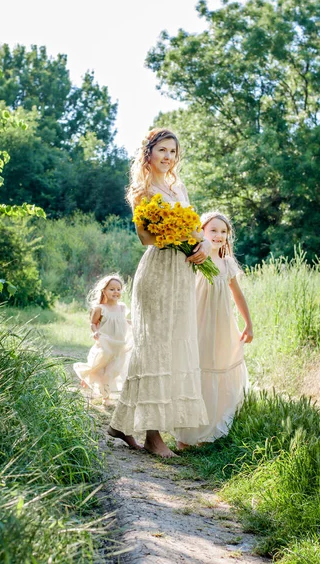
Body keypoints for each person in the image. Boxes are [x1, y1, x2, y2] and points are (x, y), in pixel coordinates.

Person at [108, 128, 210, 457]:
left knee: (174, 346)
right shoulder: (143, 190)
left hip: (181, 273)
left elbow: (195, 226)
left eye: (173, 152)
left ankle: (122, 424)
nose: (168, 156)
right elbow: (145, 238)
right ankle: (153, 436)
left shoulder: (178, 185)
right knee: (156, 349)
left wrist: (202, 243)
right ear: (148, 153)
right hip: (157, 272)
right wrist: (172, 232)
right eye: (162, 150)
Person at [176, 212, 253, 448]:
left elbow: (237, 294)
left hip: (221, 324)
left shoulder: (227, 263)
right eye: (213, 231)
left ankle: (207, 432)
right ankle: (186, 436)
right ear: (202, 232)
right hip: (196, 322)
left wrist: (249, 323)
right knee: (195, 368)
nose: (218, 236)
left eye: (223, 232)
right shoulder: (195, 258)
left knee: (217, 365)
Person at [73, 274, 132, 403]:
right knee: (100, 368)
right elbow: (93, 323)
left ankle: (91, 378)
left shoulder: (122, 307)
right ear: (104, 291)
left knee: (113, 371)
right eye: (112, 289)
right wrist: (95, 332)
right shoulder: (100, 309)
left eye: (118, 289)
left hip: (118, 345)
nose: (116, 292)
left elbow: (120, 320)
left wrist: (131, 323)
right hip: (105, 344)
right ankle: (106, 397)